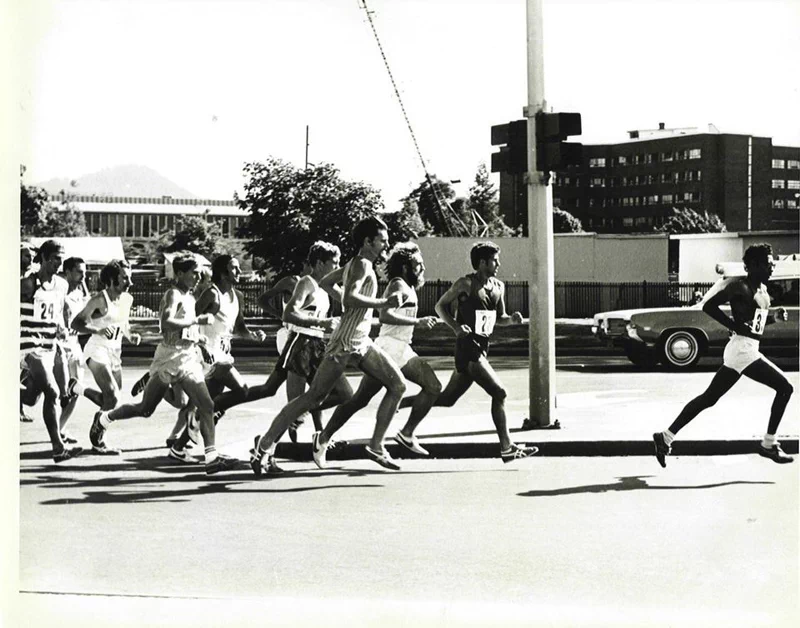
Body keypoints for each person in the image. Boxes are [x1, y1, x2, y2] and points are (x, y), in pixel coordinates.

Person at [249, 216, 406, 475]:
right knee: (312, 397)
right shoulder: (362, 264)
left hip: (360, 340)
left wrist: (349, 306)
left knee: (397, 384)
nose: (386, 244)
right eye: (382, 240)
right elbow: (351, 296)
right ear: (368, 241)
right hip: (344, 343)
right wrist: (384, 303)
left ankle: (374, 445)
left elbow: (327, 284)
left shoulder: (354, 264)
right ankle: (264, 447)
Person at [89, 254, 239, 475]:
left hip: (187, 359)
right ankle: (104, 418)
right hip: (167, 359)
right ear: (179, 274)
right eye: (194, 273)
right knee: (145, 409)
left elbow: (189, 331)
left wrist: (202, 343)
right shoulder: (173, 294)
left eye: (199, 273)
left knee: (206, 405)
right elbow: (166, 323)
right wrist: (197, 320)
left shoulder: (190, 296)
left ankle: (211, 458)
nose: (199, 277)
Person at [653, 243, 794, 466]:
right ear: (754, 265)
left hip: (745, 348)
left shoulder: (763, 292)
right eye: (768, 263)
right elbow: (708, 306)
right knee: (785, 387)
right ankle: (769, 444)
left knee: (709, 398)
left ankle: (666, 436)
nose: (772, 267)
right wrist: (733, 325)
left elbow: (754, 323)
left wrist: (773, 317)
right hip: (742, 350)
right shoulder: (740, 287)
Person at [398, 241, 538, 463]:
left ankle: (402, 406)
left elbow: (499, 318)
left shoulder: (498, 287)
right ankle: (507, 447)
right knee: (499, 393)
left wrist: (511, 320)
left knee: (447, 399)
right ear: (482, 263)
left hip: (481, 349)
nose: (498, 264)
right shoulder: (465, 283)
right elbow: (439, 306)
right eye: (494, 260)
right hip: (467, 349)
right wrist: (455, 327)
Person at [212, 245, 347, 446]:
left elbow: (349, 301)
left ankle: (314, 432)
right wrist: (318, 322)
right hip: (298, 341)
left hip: (317, 344)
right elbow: (286, 312)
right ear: (317, 263)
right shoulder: (302, 283)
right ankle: (271, 444)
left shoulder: (325, 287)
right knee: (296, 400)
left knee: (332, 394)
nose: (338, 267)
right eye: (334, 263)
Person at [316, 242, 441, 457]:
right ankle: (396, 437)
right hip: (391, 346)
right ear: (404, 267)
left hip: (400, 346)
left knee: (360, 399)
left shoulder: (408, 286)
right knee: (431, 386)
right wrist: (417, 322)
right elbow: (384, 316)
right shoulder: (398, 285)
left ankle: (325, 436)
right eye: (417, 264)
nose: (421, 268)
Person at [167, 254, 267, 464]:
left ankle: (178, 447)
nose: (239, 272)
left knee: (211, 404)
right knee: (242, 391)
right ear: (222, 272)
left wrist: (253, 336)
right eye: (234, 268)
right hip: (208, 355)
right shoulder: (211, 294)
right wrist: (200, 344)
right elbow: (190, 319)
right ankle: (195, 418)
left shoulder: (236, 295)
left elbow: (239, 326)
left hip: (223, 353)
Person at [69, 260, 140, 453]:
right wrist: (98, 330)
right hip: (96, 350)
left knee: (112, 401)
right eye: (125, 278)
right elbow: (76, 323)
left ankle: (77, 388)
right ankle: (98, 442)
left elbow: (123, 323)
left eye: (130, 277)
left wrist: (131, 335)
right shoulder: (99, 300)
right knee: (112, 395)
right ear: (110, 279)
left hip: (115, 353)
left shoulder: (127, 299)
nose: (130, 282)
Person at [20, 240, 82, 462]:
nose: (59, 262)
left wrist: (61, 329)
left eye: (62, 257)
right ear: (44, 258)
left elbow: (57, 311)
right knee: (53, 392)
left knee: (30, 398)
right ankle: (58, 448)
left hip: (50, 344)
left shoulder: (62, 285)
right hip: (28, 343)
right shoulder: (27, 284)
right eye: (56, 257)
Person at [53, 256, 90, 444]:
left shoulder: (80, 293)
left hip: (75, 346)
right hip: (58, 348)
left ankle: (60, 429)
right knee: (59, 392)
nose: (83, 276)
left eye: (84, 272)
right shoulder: (59, 292)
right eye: (79, 272)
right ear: (67, 272)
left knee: (76, 391)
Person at [20, 242, 37, 423]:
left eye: (31, 255)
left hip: (28, 329)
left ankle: (20, 407)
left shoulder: (33, 278)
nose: (30, 258)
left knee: (23, 374)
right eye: (26, 255)